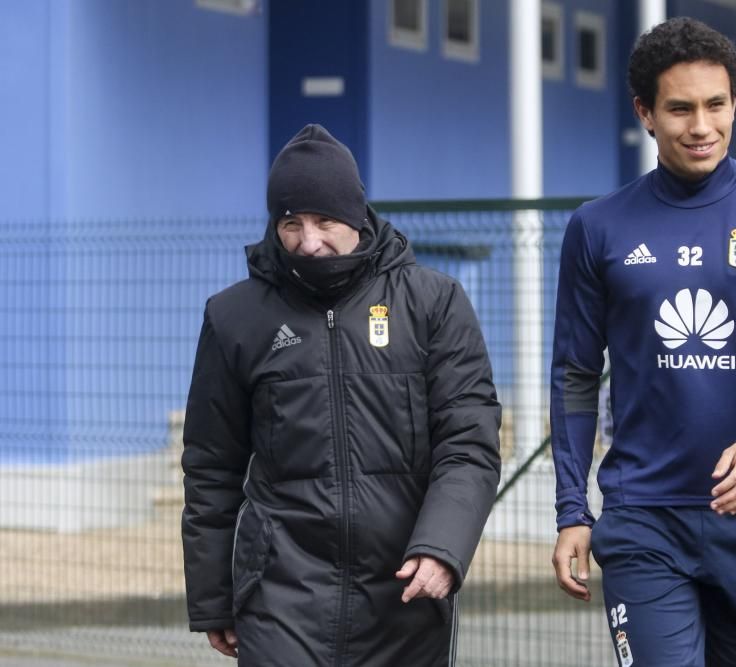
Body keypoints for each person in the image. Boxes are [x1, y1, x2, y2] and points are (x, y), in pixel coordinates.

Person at [550, 17, 736, 667]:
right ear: (645, 112)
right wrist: (573, 508)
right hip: (643, 517)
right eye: (679, 108)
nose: (701, 125)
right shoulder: (596, 228)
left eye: (715, 105)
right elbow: (573, 372)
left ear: (735, 103)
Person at [181, 124, 501, 666]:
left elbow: (469, 442)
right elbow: (212, 466)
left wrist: (442, 548)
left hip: (405, 593)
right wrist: (213, 598)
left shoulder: (434, 303)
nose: (309, 242)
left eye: (325, 221)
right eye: (291, 223)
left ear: (357, 217)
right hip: (279, 598)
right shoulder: (234, 318)